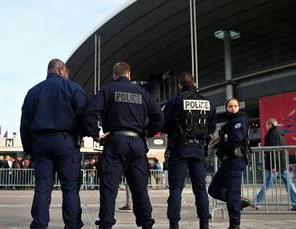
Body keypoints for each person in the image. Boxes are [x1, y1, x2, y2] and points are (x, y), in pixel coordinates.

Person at [84, 62, 164, 229]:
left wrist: (97, 134)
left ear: (115, 75)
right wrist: (147, 132)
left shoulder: (107, 90)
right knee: (140, 189)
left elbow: (90, 113)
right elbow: (159, 117)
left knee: (109, 188)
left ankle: (105, 224)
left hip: (115, 142)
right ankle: (146, 223)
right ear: (129, 75)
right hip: (137, 143)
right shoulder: (143, 93)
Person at [20, 58, 87, 229]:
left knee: (42, 187)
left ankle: (39, 224)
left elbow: (25, 125)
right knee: (70, 188)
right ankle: (72, 225)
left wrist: (29, 150)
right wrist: (84, 135)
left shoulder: (33, 92)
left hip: (41, 143)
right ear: (62, 70)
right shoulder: (73, 89)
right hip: (67, 141)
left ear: (49, 70)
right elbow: (84, 116)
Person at [163, 72, 216, 229]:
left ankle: (174, 223)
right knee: (200, 189)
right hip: (199, 149)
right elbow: (212, 126)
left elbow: (164, 123)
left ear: (179, 85)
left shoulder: (175, 100)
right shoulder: (207, 102)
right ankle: (204, 223)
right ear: (195, 83)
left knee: (176, 188)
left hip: (179, 148)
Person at [208, 98, 251, 229]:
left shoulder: (239, 120)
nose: (233, 108)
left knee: (233, 194)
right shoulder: (229, 122)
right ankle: (238, 201)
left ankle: (235, 225)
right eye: (230, 106)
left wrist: (224, 145)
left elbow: (237, 139)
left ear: (239, 107)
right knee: (213, 189)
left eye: (235, 106)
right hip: (227, 162)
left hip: (235, 161)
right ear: (226, 108)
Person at [255, 118, 296, 210]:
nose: (266, 127)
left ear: (270, 124)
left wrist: (273, 165)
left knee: (268, 183)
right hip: (282, 164)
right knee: (289, 184)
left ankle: (257, 202)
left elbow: (273, 151)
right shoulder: (280, 133)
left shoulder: (272, 134)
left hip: (275, 165)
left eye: (266, 125)